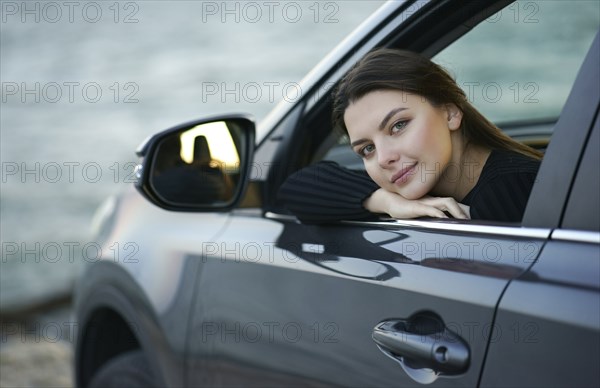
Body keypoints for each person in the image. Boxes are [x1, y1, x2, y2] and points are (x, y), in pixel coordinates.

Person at [278, 49, 542, 224]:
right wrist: (385, 201)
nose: (384, 159)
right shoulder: (425, 179)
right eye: (367, 149)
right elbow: (297, 188)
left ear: (450, 113)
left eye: (398, 126)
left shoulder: (511, 192)